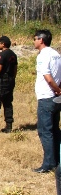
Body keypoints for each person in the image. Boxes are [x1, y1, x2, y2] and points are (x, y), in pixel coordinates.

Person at [32, 29, 61, 173]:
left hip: (47, 96)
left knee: (45, 131)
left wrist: (57, 89)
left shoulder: (43, 56)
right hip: (56, 98)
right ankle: (57, 160)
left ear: (41, 40)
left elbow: (48, 77)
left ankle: (49, 164)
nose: (34, 41)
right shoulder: (56, 54)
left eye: (35, 38)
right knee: (55, 130)